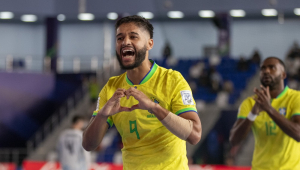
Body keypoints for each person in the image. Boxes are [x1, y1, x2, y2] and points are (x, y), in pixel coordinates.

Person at [82, 15, 202, 170]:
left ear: (149, 44)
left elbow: (194, 135)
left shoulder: (172, 80)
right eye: (120, 38)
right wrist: (103, 115)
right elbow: (88, 144)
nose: (125, 42)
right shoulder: (111, 87)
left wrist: (154, 107)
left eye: (133, 36)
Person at [229, 57, 300, 170]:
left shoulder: (296, 98)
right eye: (263, 68)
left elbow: (298, 133)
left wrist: (269, 109)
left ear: (283, 74)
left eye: (272, 68)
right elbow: (234, 140)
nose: (266, 71)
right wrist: (253, 113)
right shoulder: (249, 103)